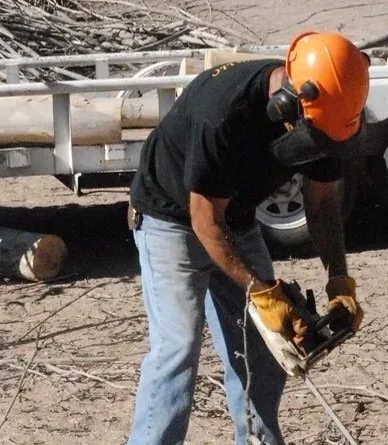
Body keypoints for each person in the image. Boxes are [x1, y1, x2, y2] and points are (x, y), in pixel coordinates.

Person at [126, 32, 369, 444]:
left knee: (263, 350)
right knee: (178, 350)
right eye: (314, 138)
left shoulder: (328, 112)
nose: (317, 148)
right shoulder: (222, 113)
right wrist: (261, 291)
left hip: (234, 221)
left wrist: (339, 280)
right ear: (287, 102)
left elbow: (323, 203)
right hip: (171, 219)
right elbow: (205, 222)